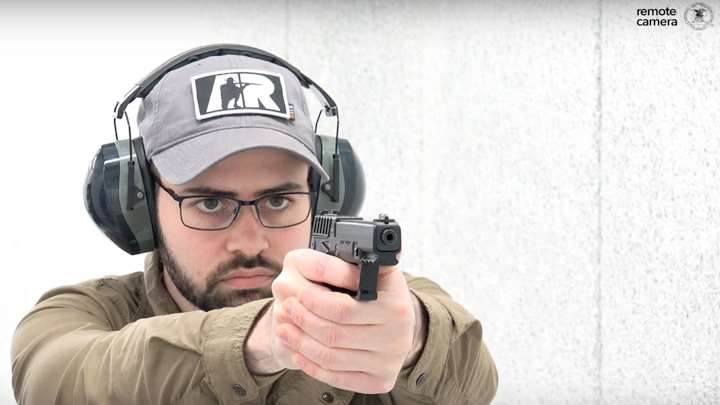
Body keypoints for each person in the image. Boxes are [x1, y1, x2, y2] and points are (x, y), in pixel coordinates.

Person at [11, 45, 498, 405]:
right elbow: (56, 379)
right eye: (208, 203)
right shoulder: (79, 315)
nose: (250, 240)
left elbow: (474, 374)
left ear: (324, 198)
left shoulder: (372, 306)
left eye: (280, 199)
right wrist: (270, 338)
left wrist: (412, 339)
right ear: (138, 204)